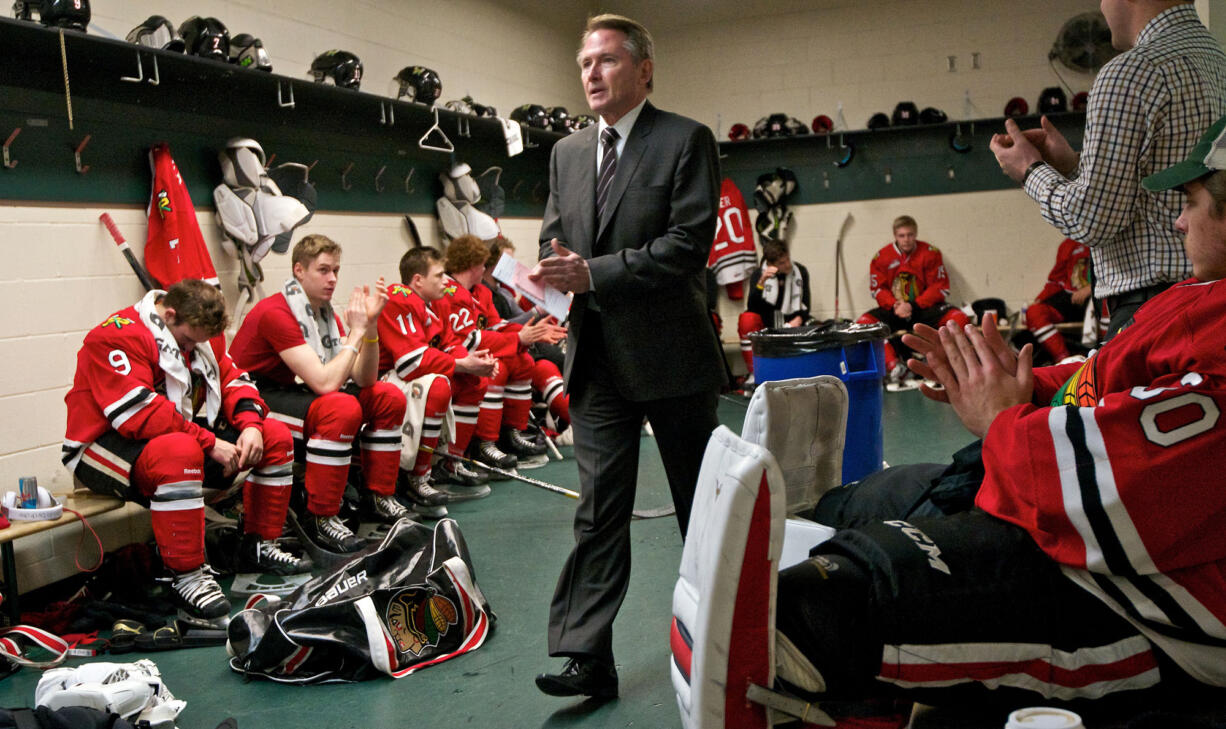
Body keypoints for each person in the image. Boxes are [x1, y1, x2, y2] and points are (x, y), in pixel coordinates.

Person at [768, 116, 1226, 709]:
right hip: (1060, 504)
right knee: (858, 501)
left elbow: (1118, 495)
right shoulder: (1200, 293)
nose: (1177, 219)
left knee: (819, 607)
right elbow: (1108, 380)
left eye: (1191, 202)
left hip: (1155, 606)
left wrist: (999, 418)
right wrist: (1017, 383)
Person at [529, 13, 724, 698]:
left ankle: (733, 640)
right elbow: (559, 241)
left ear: (644, 69)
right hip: (597, 361)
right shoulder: (567, 154)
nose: (591, 72)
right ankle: (587, 655)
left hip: (672, 357)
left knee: (701, 509)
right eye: (585, 61)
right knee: (597, 509)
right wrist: (547, 282)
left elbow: (687, 245)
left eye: (607, 60)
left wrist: (596, 273)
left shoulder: (685, 140)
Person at [63, 280, 307, 625]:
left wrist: (251, 424)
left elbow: (234, 379)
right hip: (102, 443)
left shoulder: (201, 335)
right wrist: (210, 443)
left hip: (176, 435)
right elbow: (138, 416)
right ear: (169, 314)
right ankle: (187, 575)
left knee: (274, 435)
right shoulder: (116, 335)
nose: (194, 347)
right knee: (179, 450)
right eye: (189, 341)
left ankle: (258, 546)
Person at [989, 0, 1226, 339]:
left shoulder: (1131, 72)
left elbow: (1091, 221)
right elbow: (1146, 184)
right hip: (1212, 300)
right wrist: (1074, 166)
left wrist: (1030, 170)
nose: (1102, 7)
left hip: (1152, 310)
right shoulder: (1218, 60)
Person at [229, 235, 415, 555]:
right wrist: (355, 333)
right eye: (323, 270)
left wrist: (369, 328)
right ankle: (321, 515)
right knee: (339, 407)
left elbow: (365, 378)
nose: (332, 279)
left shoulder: (323, 312)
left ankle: (378, 496)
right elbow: (326, 384)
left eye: (336, 271)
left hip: (290, 390)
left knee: (387, 396)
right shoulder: (277, 311)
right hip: (252, 397)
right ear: (299, 270)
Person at [377, 247, 497, 500]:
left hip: (407, 374)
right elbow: (410, 362)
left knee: (473, 381)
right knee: (438, 386)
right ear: (418, 280)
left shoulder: (434, 303)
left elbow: (448, 344)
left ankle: (450, 463)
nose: (446, 281)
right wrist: (462, 364)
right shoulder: (398, 297)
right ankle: (418, 477)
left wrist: (473, 362)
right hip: (384, 377)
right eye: (440, 275)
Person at [440, 235, 564, 467]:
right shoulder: (450, 293)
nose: (486, 269)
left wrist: (530, 333)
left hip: (472, 352)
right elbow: (467, 340)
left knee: (523, 361)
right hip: (450, 358)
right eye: (483, 264)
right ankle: (484, 443)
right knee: (497, 368)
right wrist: (518, 338)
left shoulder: (481, 293)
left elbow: (496, 325)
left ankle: (511, 433)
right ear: (472, 264)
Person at [856, 215, 968, 385]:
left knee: (959, 318)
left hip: (922, 308)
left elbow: (940, 286)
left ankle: (941, 364)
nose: (906, 239)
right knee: (864, 323)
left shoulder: (930, 253)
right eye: (902, 235)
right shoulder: (881, 257)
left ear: (915, 234)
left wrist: (914, 305)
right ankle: (894, 367)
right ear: (895, 235)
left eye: (910, 235)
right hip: (895, 309)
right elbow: (878, 289)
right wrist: (895, 305)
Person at [737, 241, 812, 379]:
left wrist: (799, 319)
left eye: (787, 259)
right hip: (767, 324)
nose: (788, 265)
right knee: (747, 319)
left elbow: (806, 304)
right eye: (782, 263)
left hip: (794, 323)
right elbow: (752, 307)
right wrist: (761, 282)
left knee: (815, 326)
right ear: (772, 265)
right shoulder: (759, 274)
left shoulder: (800, 271)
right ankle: (755, 373)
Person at [1023, 237, 1093, 364]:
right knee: (1034, 312)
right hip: (1071, 299)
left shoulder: (1108, 240)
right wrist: (1040, 299)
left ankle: (1109, 357)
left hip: (1101, 297)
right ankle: (1064, 360)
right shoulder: (1068, 245)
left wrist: (1091, 288)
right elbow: (1056, 280)